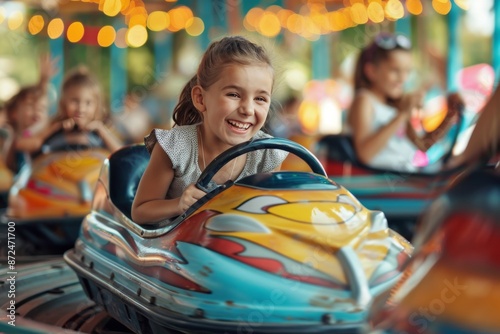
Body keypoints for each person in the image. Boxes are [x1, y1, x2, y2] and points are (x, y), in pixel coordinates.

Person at [131, 36, 289, 225]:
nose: (248, 109)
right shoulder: (174, 148)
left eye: (260, 99)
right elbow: (140, 210)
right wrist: (178, 204)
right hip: (176, 247)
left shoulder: (267, 154)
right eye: (234, 95)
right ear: (200, 99)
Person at [348, 33, 459, 173]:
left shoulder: (394, 106)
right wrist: (402, 114)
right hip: (385, 183)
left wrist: (449, 116)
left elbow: (423, 145)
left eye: (407, 72)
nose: (403, 78)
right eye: (395, 71)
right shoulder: (365, 100)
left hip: (404, 176)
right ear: (371, 71)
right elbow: (365, 154)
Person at [10, 66, 122, 158]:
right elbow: (24, 145)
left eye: (88, 103)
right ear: (63, 103)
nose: (81, 108)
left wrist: (101, 129)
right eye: (75, 101)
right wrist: (54, 129)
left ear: (96, 106)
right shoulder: (53, 129)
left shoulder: (98, 134)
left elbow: (123, 154)